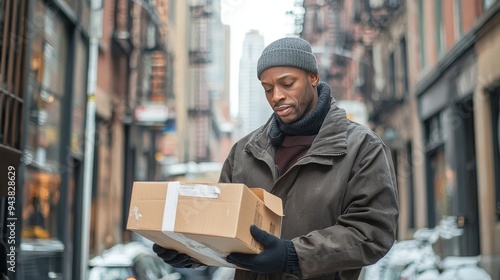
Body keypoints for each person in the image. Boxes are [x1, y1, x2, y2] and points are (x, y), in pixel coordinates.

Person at [153, 37, 399, 279]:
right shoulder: (244, 152)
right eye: (267, 89)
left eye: (287, 83)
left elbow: (372, 233)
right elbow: (222, 229)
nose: (276, 96)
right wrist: (190, 252)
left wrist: (292, 255)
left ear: (313, 78)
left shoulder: (362, 148)